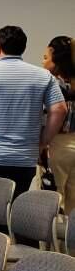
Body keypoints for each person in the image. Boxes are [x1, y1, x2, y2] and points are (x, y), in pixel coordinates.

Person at [0, 26, 66, 221]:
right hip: (23, 157)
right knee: (18, 211)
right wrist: (43, 141)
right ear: (23, 48)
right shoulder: (43, 77)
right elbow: (59, 110)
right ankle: (17, 248)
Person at [43, 34, 75, 213]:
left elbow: (48, 115)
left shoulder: (52, 84)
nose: (43, 62)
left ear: (56, 57)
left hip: (57, 145)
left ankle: (53, 242)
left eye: (45, 57)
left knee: (53, 202)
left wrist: (42, 142)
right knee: (73, 203)